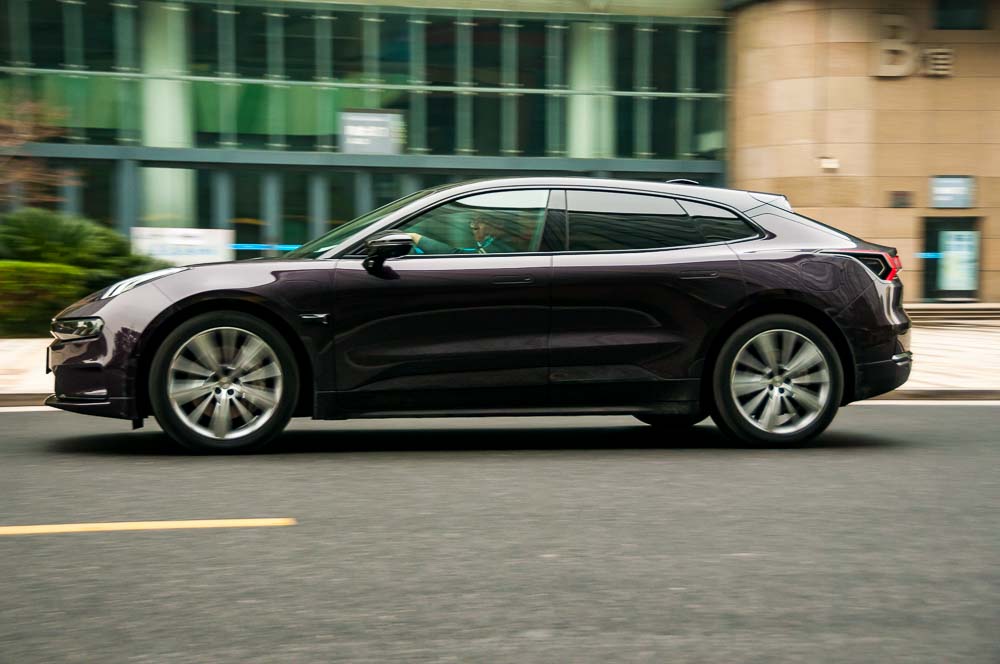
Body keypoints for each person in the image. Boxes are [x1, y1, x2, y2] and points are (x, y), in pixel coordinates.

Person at [406, 213, 519, 255]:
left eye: (480, 220)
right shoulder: (493, 241)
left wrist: (416, 237)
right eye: (473, 221)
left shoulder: (500, 247)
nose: (473, 225)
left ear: (498, 223)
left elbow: (457, 255)